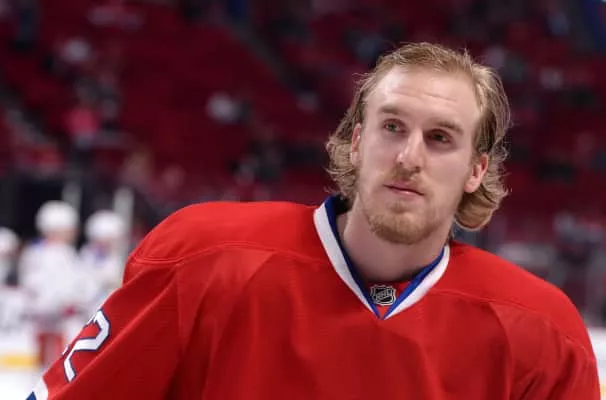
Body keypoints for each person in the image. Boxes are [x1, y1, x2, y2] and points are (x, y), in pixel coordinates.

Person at [27, 42, 599, 399]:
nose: (409, 156)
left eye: (440, 138)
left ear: (477, 170)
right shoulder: (203, 259)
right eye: (392, 127)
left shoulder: (543, 335)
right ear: (357, 142)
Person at [20, 201, 83, 369]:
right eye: (68, 229)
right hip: (51, 311)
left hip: (62, 312)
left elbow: (75, 281)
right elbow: (36, 283)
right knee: (47, 348)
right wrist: (60, 302)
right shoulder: (39, 252)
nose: (73, 233)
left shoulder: (65, 252)